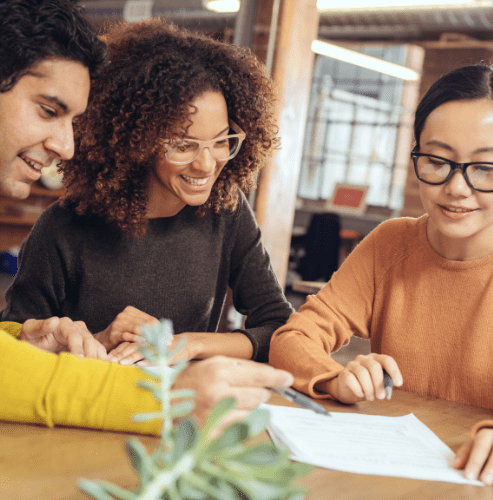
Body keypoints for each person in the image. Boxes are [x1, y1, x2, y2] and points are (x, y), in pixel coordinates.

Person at [0, 0, 293, 435]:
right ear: (136, 140)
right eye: (182, 144)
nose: (207, 164)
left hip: (172, 430)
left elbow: (281, 327)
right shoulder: (63, 228)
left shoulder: (227, 213)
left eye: (221, 142)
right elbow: (21, 358)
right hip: (76, 435)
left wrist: (185, 345)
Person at [269, 64, 493, 485]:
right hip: (390, 474)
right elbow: (294, 338)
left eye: (487, 168)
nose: (457, 187)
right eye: (437, 160)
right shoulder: (392, 243)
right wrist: (335, 378)